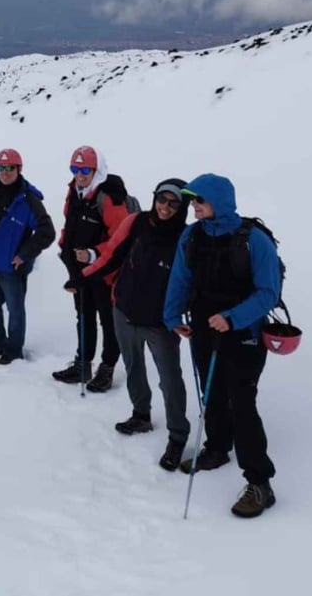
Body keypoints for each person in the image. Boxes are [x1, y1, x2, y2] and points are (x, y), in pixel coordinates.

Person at [164, 174, 282, 519]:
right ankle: (216, 447)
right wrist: (172, 316)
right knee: (210, 391)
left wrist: (232, 317)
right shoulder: (192, 235)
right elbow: (180, 278)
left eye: (199, 201)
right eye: (193, 202)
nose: (194, 207)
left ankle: (260, 482)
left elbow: (268, 293)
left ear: (219, 201)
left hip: (242, 331)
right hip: (203, 325)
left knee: (242, 402)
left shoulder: (254, 240)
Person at [82, 179, 191, 470]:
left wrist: (185, 315)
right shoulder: (137, 222)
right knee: (134, 368)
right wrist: (84, 276)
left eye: (173, 203)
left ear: (182, 207)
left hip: (161, 324)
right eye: (161, 199)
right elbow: (112, 254)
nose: (165, 207)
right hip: (125, 310)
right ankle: (141, 414)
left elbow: (191, 283)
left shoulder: (186, 238)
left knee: (170, 380)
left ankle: (178, 435)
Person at [53, 145, 134, 391]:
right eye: (75, 168)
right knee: (84, 316)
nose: (80, 174)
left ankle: (107, 368)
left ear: (97, 169)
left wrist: (93, 254)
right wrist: (65, 245)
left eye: (85, 169)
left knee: (108, 321)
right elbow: (70, 220)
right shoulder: (74, 191)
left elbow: (120, 237)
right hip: (79, 271)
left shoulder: (108, 197)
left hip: (106, 273)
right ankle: (83, 364)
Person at [0, 149, 54, 365]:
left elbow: (47, 232)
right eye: (1, 167)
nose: (5, 172)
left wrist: (24, 255)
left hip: (13, 267)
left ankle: (13, 350)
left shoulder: (28, 199)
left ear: (19, 169)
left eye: (10, 168)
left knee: (15, 311)